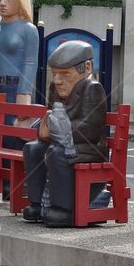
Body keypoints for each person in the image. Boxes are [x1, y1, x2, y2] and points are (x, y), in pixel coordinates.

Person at [22, 41, 107, 228]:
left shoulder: (92, 88)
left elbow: (89, 129)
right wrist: (46, 129)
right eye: (55, 75)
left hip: (87, 147)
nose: (58, 81)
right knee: (33, 149)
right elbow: (49, 116)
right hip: (62, 142)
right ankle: (37, 204)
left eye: (66, 74)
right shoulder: (55, 89)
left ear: (86, 67)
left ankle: (63, 208)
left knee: (57, 153)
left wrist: (54, 130)